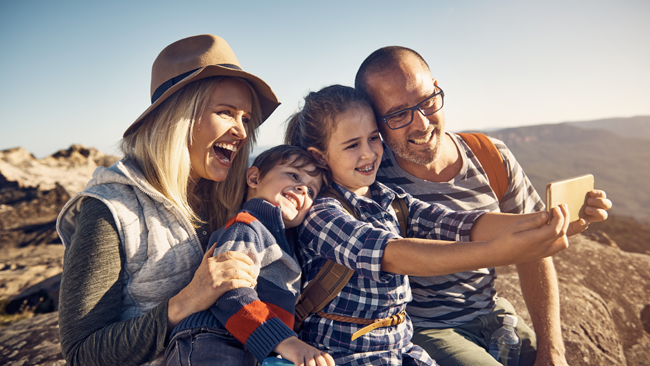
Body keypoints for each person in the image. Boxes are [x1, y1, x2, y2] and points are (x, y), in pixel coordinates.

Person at [354, 46, 612, 366]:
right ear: (373, 119)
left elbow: (534, 253)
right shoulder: (369, 179)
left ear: (436, 86)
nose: (421, 123)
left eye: (427, 101)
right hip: (422, 331)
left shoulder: (490, 155)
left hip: (495, 315)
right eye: (398, 114)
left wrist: (552, 350)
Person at [285, 85, 573, 365]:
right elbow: (395, 254)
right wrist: (501, 252)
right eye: (352, 145)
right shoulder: (322, 214)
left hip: (400, 349)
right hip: (346, 355)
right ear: (319, 156)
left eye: (373, 138)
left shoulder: (391, 199)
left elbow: (453, 223)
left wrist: (543, 221)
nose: (369, 154)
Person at [55, 34, 280, 366]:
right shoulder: (109, 210)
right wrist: (187, 300)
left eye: (246, 118)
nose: (242, 132)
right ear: (179, 117)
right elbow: (82, 353)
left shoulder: (228, 197)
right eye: (226, 113)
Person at [164, 145, 335, 366]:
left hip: (248, 346)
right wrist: (286, 341)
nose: (303, 188)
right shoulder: (246, 226)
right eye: (294, 175)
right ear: (254, 178)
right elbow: (230, 292)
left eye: (312, 191)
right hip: (213, 337)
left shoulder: (286, 243)